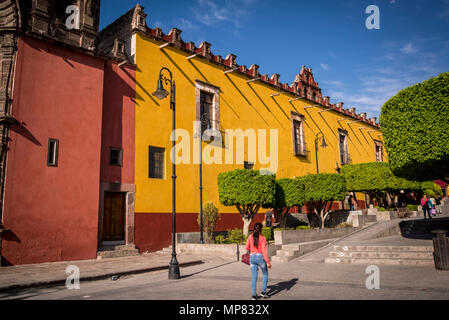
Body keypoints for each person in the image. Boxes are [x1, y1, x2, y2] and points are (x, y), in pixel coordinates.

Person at [245, 222, 271, 300]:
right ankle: (263, 293)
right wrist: (268, 262)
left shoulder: (250, 237)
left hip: (252, 258)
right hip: (260, 258)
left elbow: (247, 247)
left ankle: (254, 296)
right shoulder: (262, 238)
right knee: (265, 274)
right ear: (261, 229)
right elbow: (264, 250)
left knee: (254, 277)